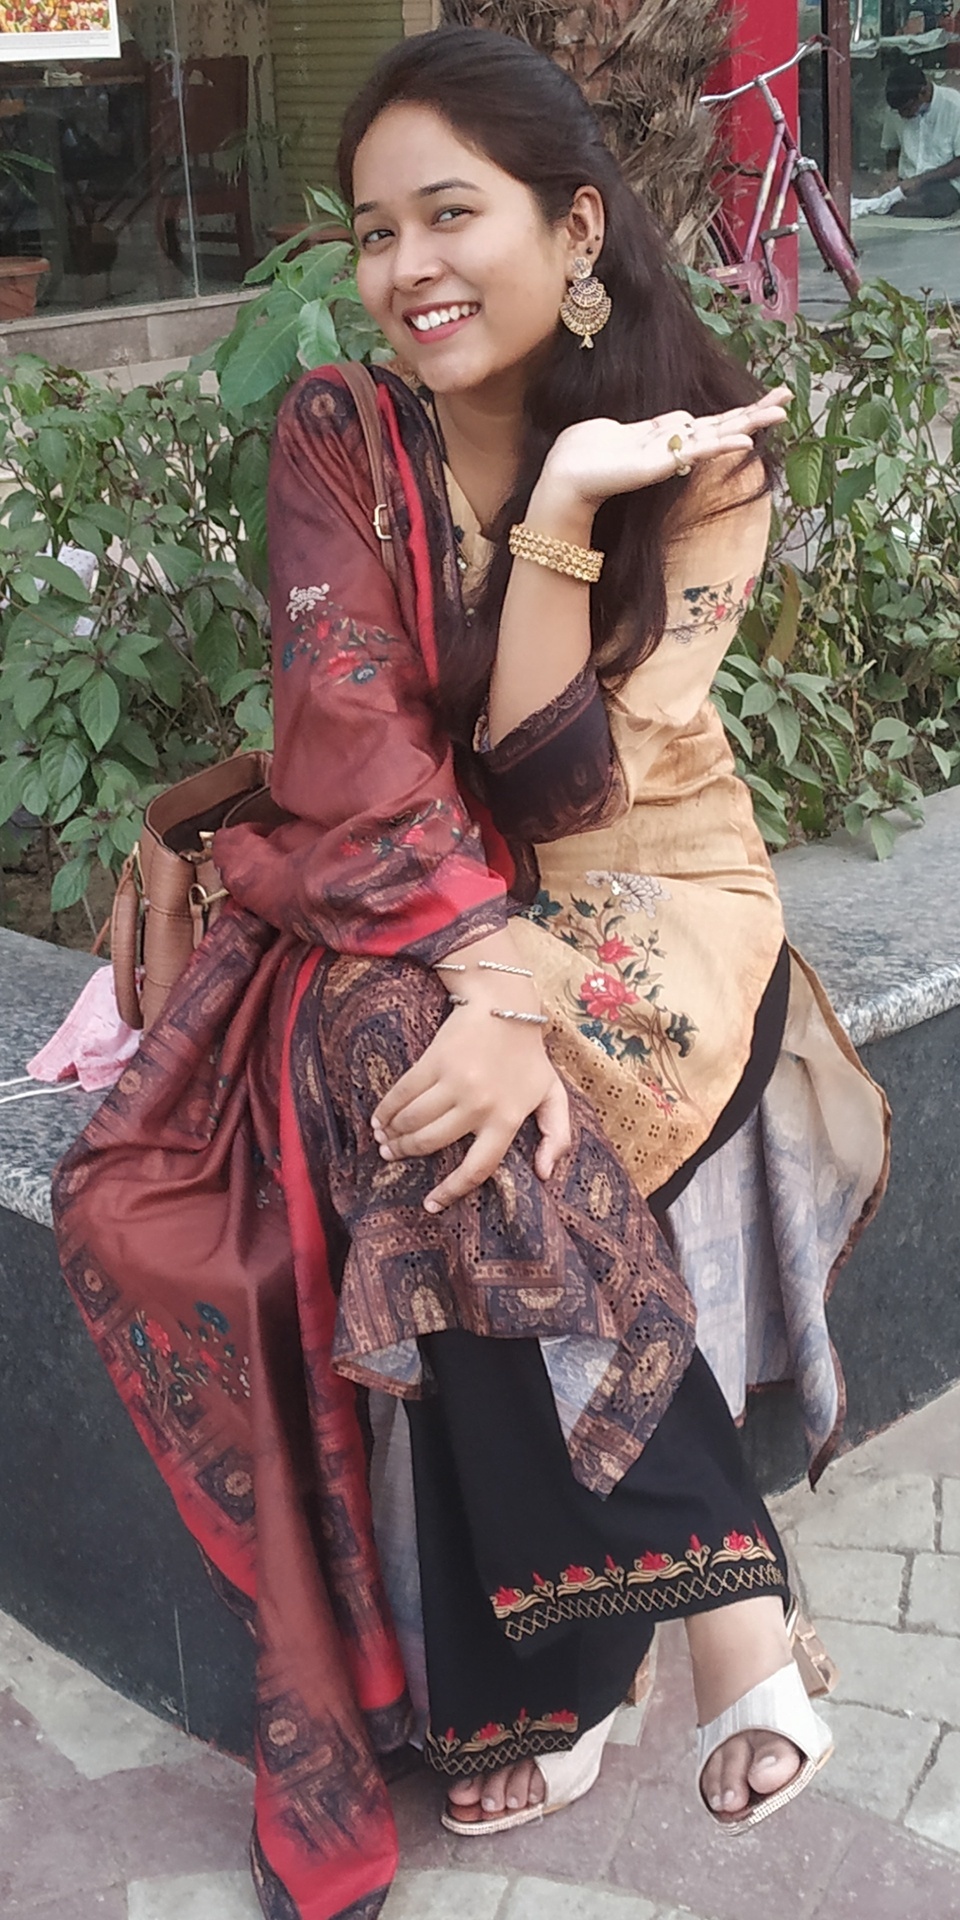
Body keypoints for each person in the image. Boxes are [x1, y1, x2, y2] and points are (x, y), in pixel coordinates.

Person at [51, 27, 889, 1920]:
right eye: (375, 231)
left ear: (575, 227)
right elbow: (354, 735)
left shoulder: (704, 451)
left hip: (644, 884)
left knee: (449, 1067)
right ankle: (714, 1602)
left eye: (452, 215)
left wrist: (572, 508)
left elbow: (567, 783)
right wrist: (482, 977)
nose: (408, 267)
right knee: (407, 1064)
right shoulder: (342, 430)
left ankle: (576, 1671)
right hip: (417, 881)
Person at [880, 60, 960, 216]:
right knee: (878, 191)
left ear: (923, 93)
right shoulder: (895, 110)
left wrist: (920, 180)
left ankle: (897, 207)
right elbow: (892, 148)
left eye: (906, 109)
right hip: (906, 180)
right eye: (898, 111)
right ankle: (895, 205)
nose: (902, 115)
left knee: (940, 200)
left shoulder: (955, 106)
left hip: (943, 182)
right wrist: (891, 172)